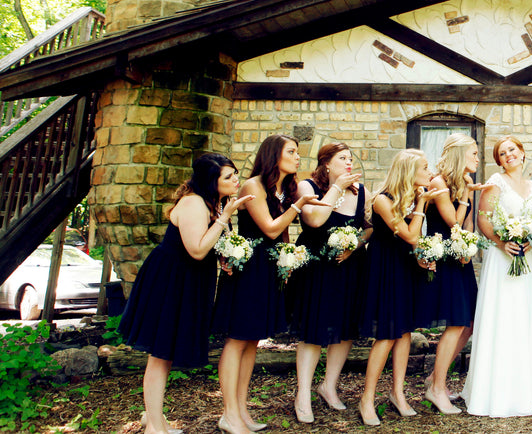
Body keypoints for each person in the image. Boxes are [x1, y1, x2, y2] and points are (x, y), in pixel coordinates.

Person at [119, 154, 252, 434]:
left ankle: (154, 417)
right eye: (228, 177)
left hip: (190, 281)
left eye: (235, 174)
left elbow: (210, 246)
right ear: (210, 181)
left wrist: (226, 257)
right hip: (170, 281)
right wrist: (225, 218)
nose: (235, 180)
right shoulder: (193, 203)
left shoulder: (211, 204)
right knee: (160, 352)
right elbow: (197, 249)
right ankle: (154, 425)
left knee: (165, 352)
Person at [212, 135, 327, 434]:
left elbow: (283, 237)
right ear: (274, 155)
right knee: (237, 339)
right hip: (248, 268)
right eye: (291, 152)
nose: (298, 157)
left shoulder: (283, 189)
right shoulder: (254, 185)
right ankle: (228, 412)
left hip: (269, 268)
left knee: (252, 341)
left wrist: (287, 260)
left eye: (298, 152)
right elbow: (271, 228)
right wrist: (299, 206)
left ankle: (241, 409)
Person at [462, 135, 532, 417]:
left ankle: (529, 385)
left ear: (523, 152)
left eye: (512, 150)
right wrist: (503, 242)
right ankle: (495, 388)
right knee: (503, 316)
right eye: (502, 154)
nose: (508, 156)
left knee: (526, 316)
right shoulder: (495, 182)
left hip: (528, 260)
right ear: (499, 161)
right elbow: (484, 219)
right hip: (502, 260)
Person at [358, 149, 447, 427]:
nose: (429, 172)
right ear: (408, 171)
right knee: (387, 333)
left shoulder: (414, 197)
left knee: (406, 331)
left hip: (407, 268)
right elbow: (410, 235)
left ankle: (397, 393)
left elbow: (417, 241)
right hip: (386, 269)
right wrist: (421, 204)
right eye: (424, 167)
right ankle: (367, 399)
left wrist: (424, 258)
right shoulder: (383, 200)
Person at [415, 134, 493, 415]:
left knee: (468, 323)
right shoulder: (439, 183)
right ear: (459, 154)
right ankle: (437, 388)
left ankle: (434, 378)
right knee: (457, 323)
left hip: (460, 261)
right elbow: (454, 223)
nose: (477, 157)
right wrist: (464, 196)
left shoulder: (463, 185)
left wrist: (469, 249)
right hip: (444, 262)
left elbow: (468, 228)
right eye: (473, 153)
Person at [290, 143, 368, 423]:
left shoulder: (361, 193)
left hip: (349, 269)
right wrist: (336, 188)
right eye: (342, 158)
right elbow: (314, 219)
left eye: (350, 158)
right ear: (326, 164)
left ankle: (329, 386)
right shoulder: (307, 188)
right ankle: (302, 394)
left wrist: (355, 245)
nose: (349, 162)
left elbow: (368, 227)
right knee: (313, 330)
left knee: (345, 329)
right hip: (317, 269)